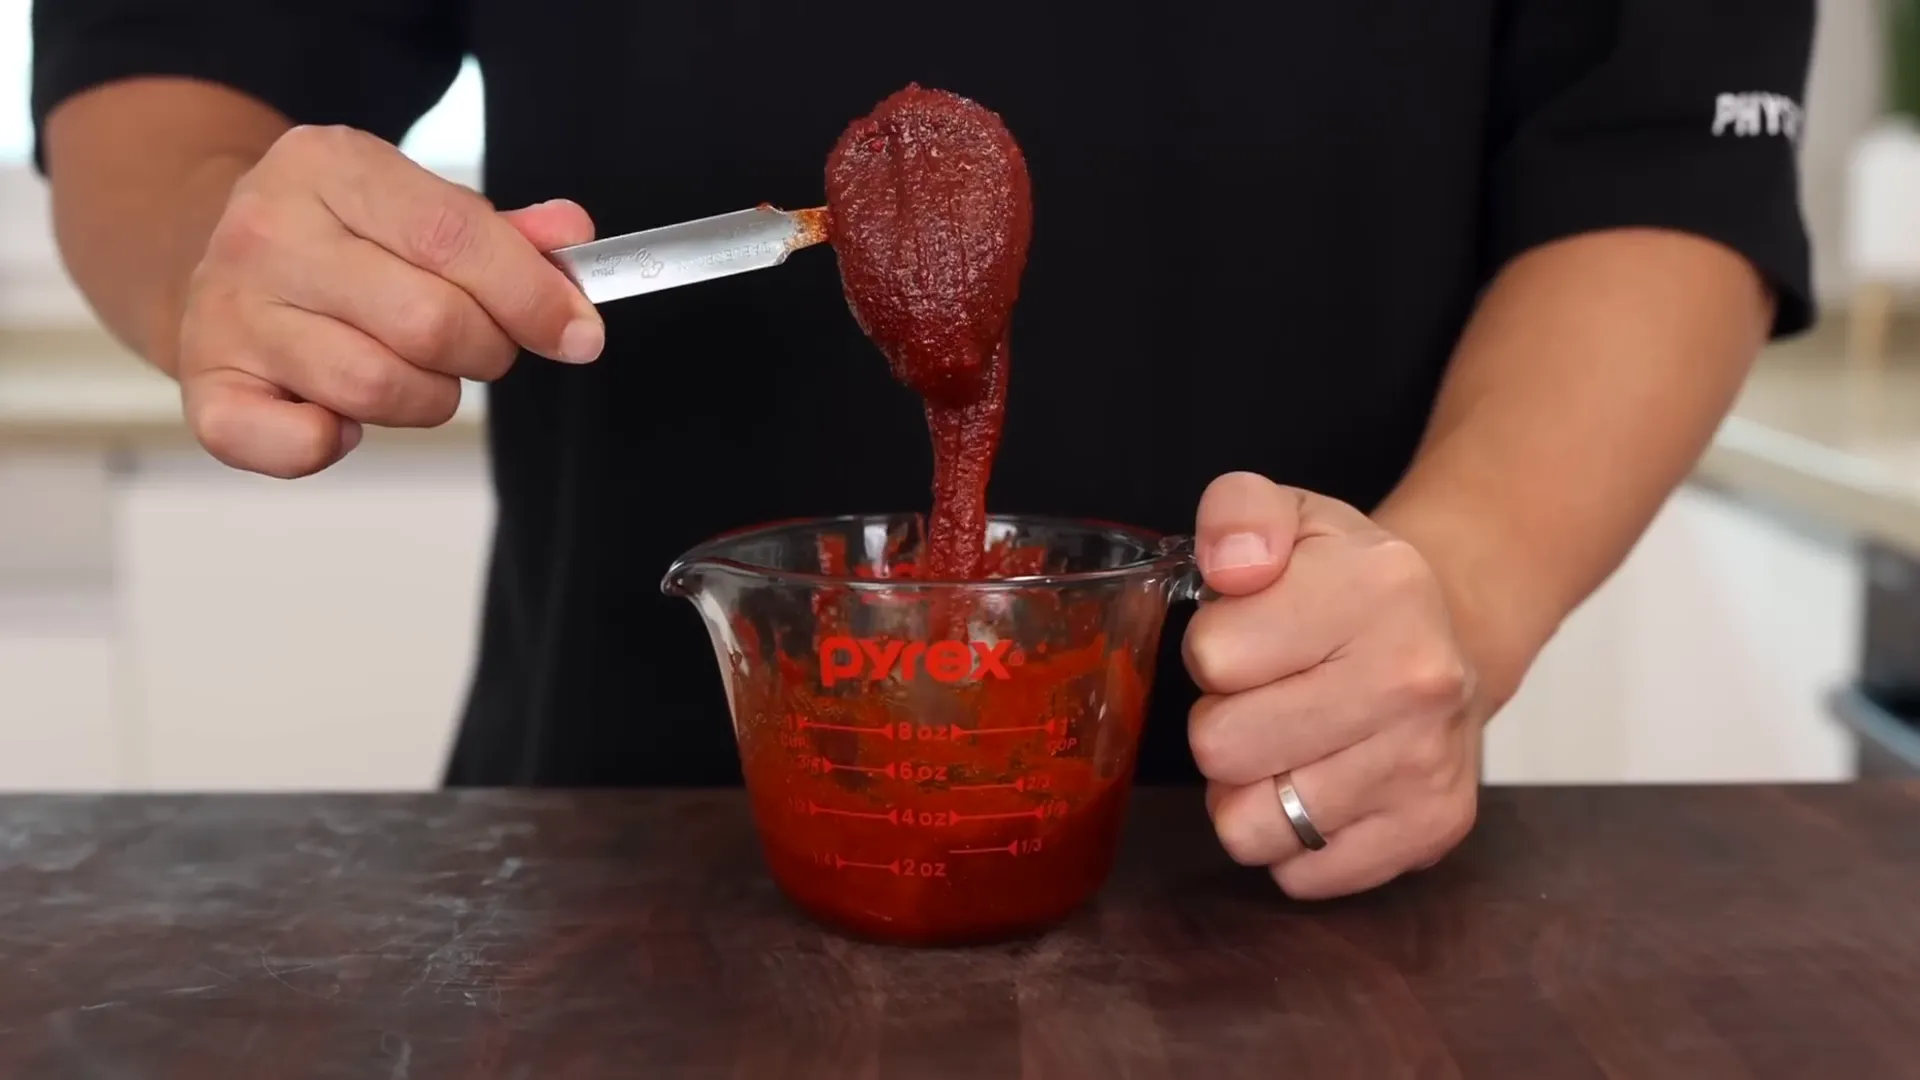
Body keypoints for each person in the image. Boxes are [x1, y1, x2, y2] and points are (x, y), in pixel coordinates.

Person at [31, 1, 1815, 901]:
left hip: (1302, 864)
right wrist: (232, 250)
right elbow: (172, 71)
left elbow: (1660, 165)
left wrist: (1472, 582)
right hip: (614, 880)